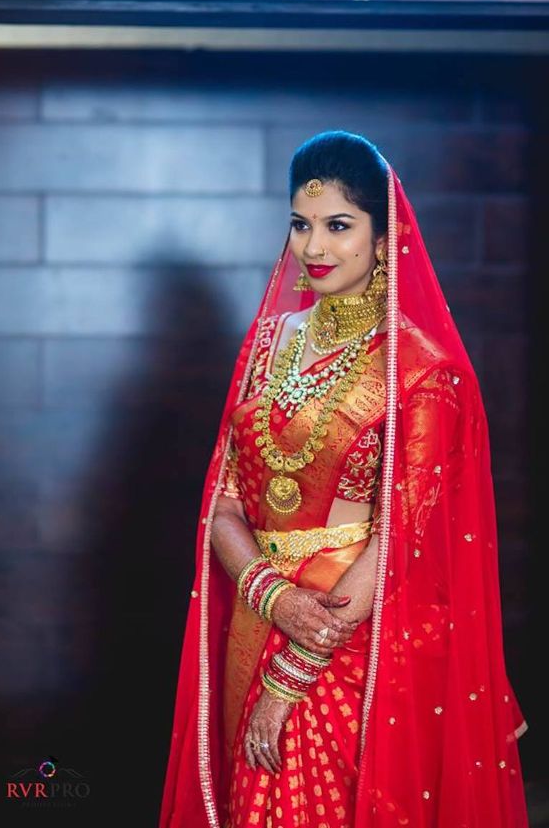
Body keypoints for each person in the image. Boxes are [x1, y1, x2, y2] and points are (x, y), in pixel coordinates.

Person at [158, 131, 529, 828]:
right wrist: (269, 593)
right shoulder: (269, 341)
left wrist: (292, 669)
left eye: (338, 226)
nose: (315, 247)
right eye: (300, 224)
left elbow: (400, 545)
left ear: (384, 239)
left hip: (352, 641)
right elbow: (225, 502)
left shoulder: (418, 371)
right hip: (258, 617)